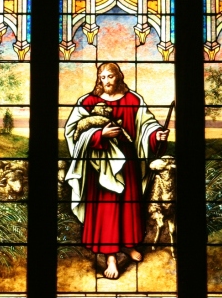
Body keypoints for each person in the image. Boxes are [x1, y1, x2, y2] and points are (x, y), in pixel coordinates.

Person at [64, 62, 170, 279]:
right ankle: (111, 257)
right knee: (107, 210)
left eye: (110, 76)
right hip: (99, 165)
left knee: (128, 208)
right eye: (102, 77)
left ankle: (127, 245)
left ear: (119, 76)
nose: (106, 81)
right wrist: (98, 136)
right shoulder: (87, 102)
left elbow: (146, 125)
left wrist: (155, 135)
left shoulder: (133, 100)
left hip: (127, 163)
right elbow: (72, 132)